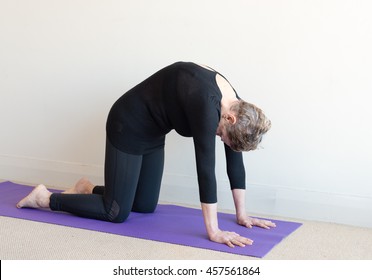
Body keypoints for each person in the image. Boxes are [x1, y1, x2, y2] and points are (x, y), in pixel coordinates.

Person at [17, 61, 275, 248]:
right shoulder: (206, 104)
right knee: (115, 212)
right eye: (222, 135)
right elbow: (206, 170)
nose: (219, 138)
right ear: (230, 118)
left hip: (153, 133)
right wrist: (214, 230)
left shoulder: (237, 107)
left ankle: (87, 188)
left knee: (144, 205)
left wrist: (242, 215)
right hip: (128, 124)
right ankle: (46, 199)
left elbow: (233, 156)